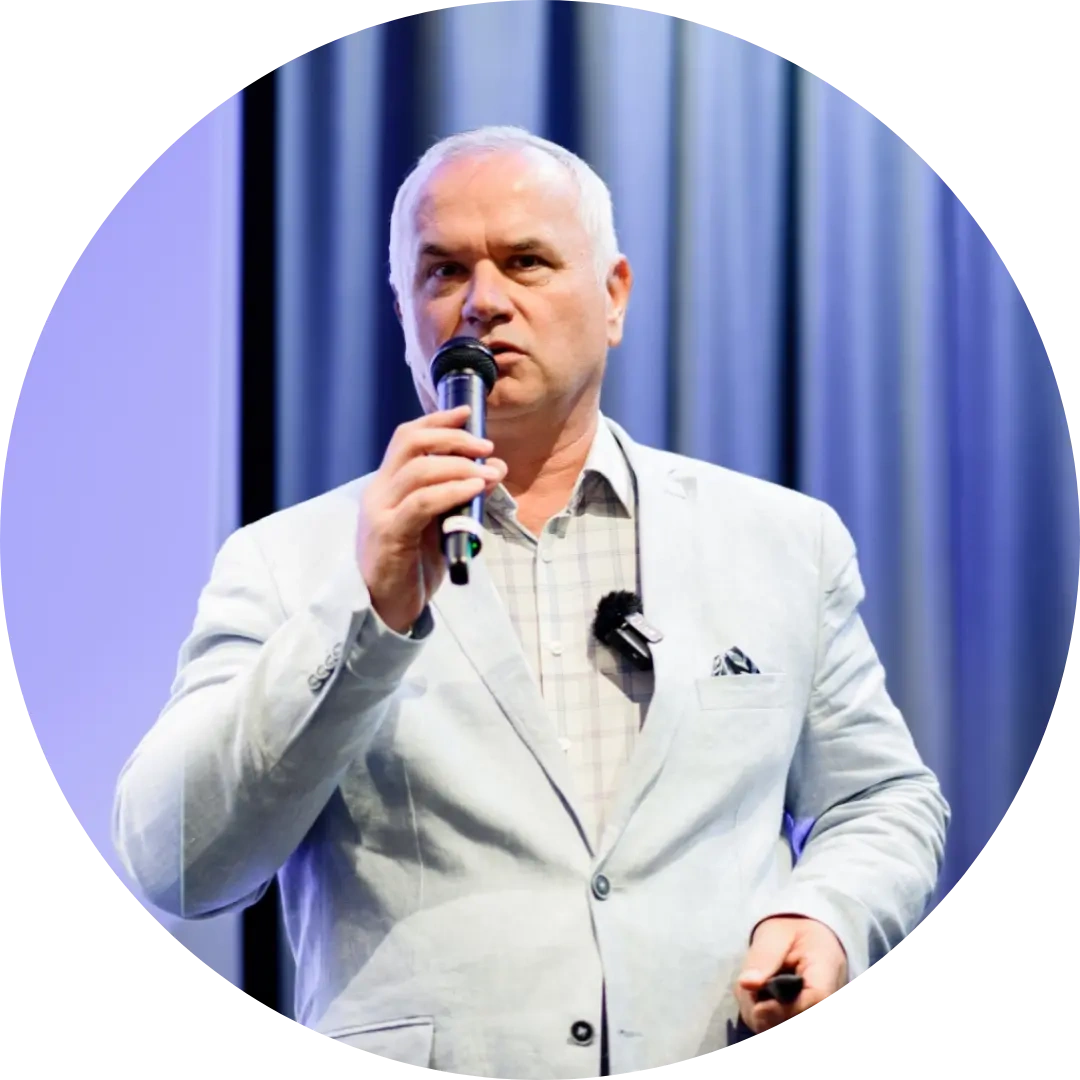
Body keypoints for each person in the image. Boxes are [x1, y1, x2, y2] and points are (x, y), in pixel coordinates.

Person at [113, 125, 950, 1077]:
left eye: (526, 262)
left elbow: (882, 800)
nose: (482, 302)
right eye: (442, 272)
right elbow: (177, 861)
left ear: (614, 296)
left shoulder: (781, 540)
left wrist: (825, 915)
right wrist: (367, 608)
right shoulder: (287, 561)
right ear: (404, 311)